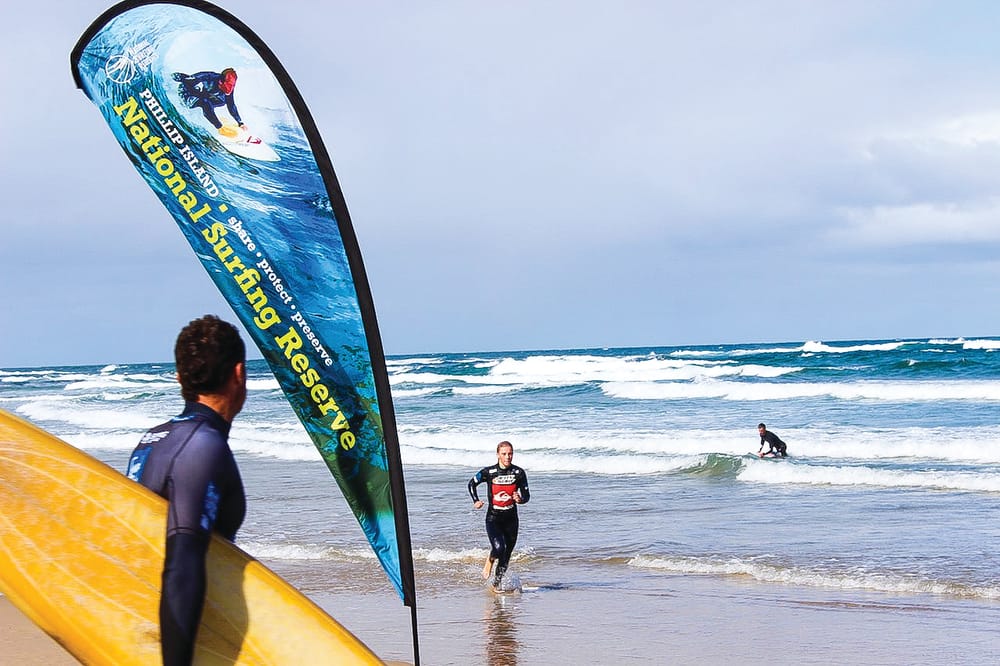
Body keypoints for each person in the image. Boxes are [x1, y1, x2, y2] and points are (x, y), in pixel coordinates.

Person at [126, 315, 248, 666]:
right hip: (183, 644)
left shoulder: (152, 440)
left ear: (180, 378)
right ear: (239, 373)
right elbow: (182, 563)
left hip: (140, 629)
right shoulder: (202, 447)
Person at [468, 441, 530, 589]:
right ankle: (489, 560)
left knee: (506, 555)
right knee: (499, 549)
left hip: (511, 519)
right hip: (494, 518)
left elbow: (527, 496)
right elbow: (471, 484)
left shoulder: (519, 473)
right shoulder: (489, 472)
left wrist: (520, 500)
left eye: (510, 454)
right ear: (498, 455)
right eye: (504, 454)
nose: (508, 457)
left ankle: (496, 585)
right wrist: (476, 500)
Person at [172, 68, 247, 137]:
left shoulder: (229, 88)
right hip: (186, 95)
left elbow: (231, 105)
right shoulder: (208, 76)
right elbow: (186, 79)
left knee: (222, 101)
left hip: (201, 96)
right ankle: (219, 127)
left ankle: (209, 115)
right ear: (220, 81)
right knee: (205, 102)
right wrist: (171, 77)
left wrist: (240, 123)